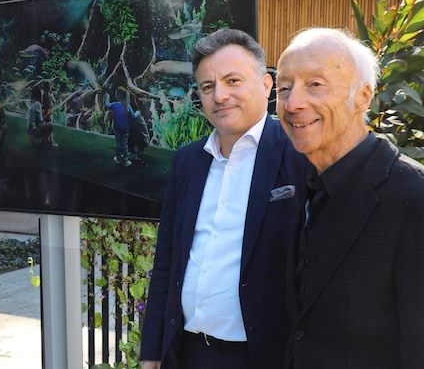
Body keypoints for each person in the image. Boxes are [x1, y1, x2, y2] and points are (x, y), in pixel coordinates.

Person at [140, 28, 309, 369]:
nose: (219, 96)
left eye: (233, 81)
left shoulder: (301, 157)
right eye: (207, 86)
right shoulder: (187, 161)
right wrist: (152, 351)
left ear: (266, 85)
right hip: (187, 352)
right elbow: (167, 260)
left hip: (262, 356)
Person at [275, 27, 424, 369]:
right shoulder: (311, 183)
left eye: (315, 84)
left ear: (363, 97)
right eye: (284, 88)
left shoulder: (412, 197)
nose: (293, 103)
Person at [105, 86, 140, 167]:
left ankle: (118, 157)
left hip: (117, 128)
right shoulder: (127, 106)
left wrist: (107, 97)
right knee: (124, 144)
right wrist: (138, 113)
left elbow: (107, 105)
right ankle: (125, 160)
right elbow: (133, 116)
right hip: (125, 129)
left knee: (118, 143)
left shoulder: (114, 105)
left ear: (117, 95)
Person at [27, 85, 55, 149]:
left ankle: (46, 142)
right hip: (33, 132)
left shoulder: (33, 103)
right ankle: (44, 143)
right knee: (50, 125)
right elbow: (40, 120)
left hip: (29, 131)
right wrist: (48, 113)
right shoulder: (38, 104)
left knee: (46, 125)